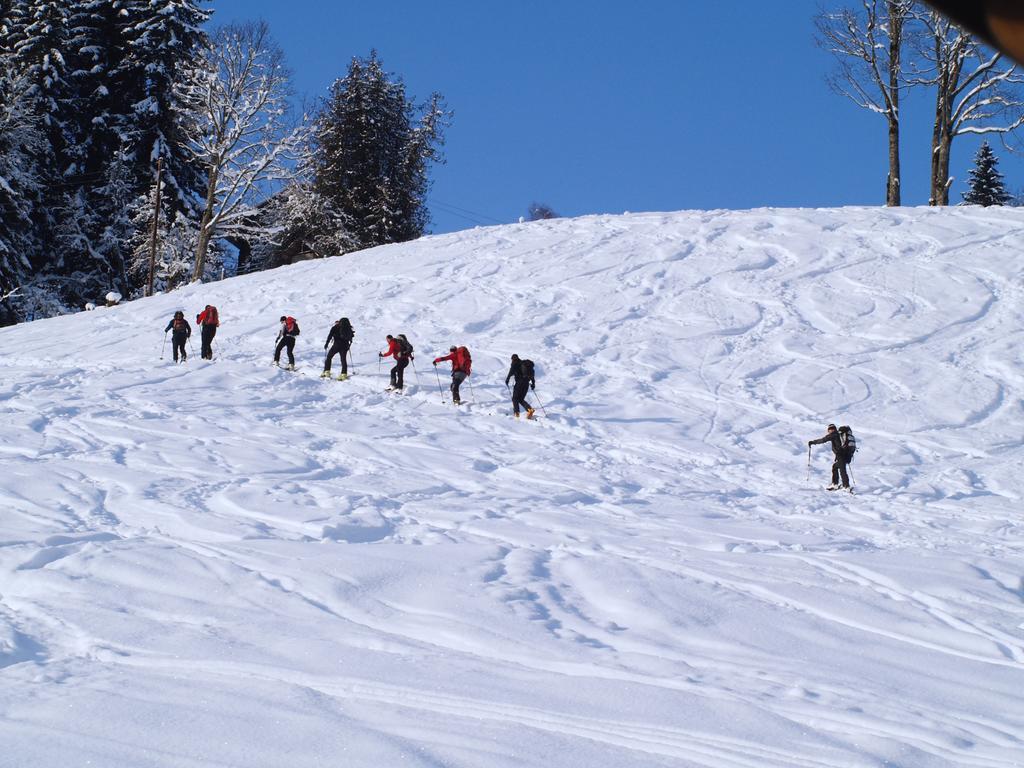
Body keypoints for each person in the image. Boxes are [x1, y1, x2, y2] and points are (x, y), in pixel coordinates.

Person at [808, 423, 855, 491]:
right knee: (835, 467)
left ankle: (846, 486)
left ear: (830, 430)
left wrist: (813, 442)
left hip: (841, 455)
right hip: (847, 455)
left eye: (829, 430)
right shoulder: (840, 435)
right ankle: (835, 484)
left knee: (842, 470)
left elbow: (823, 440)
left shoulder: (834, 435)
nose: (828, 432)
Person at [505, 354, 536, 419]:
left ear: (513, 359)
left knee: (515, 398)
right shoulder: (524, 364)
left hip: (519, 383)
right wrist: (533, 384)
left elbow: (511, 372)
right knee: (520, 399)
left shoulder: (515, 363)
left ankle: (517, 413)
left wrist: (507, 379)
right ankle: (530, 409)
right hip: (526, 383)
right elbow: (532, 376)